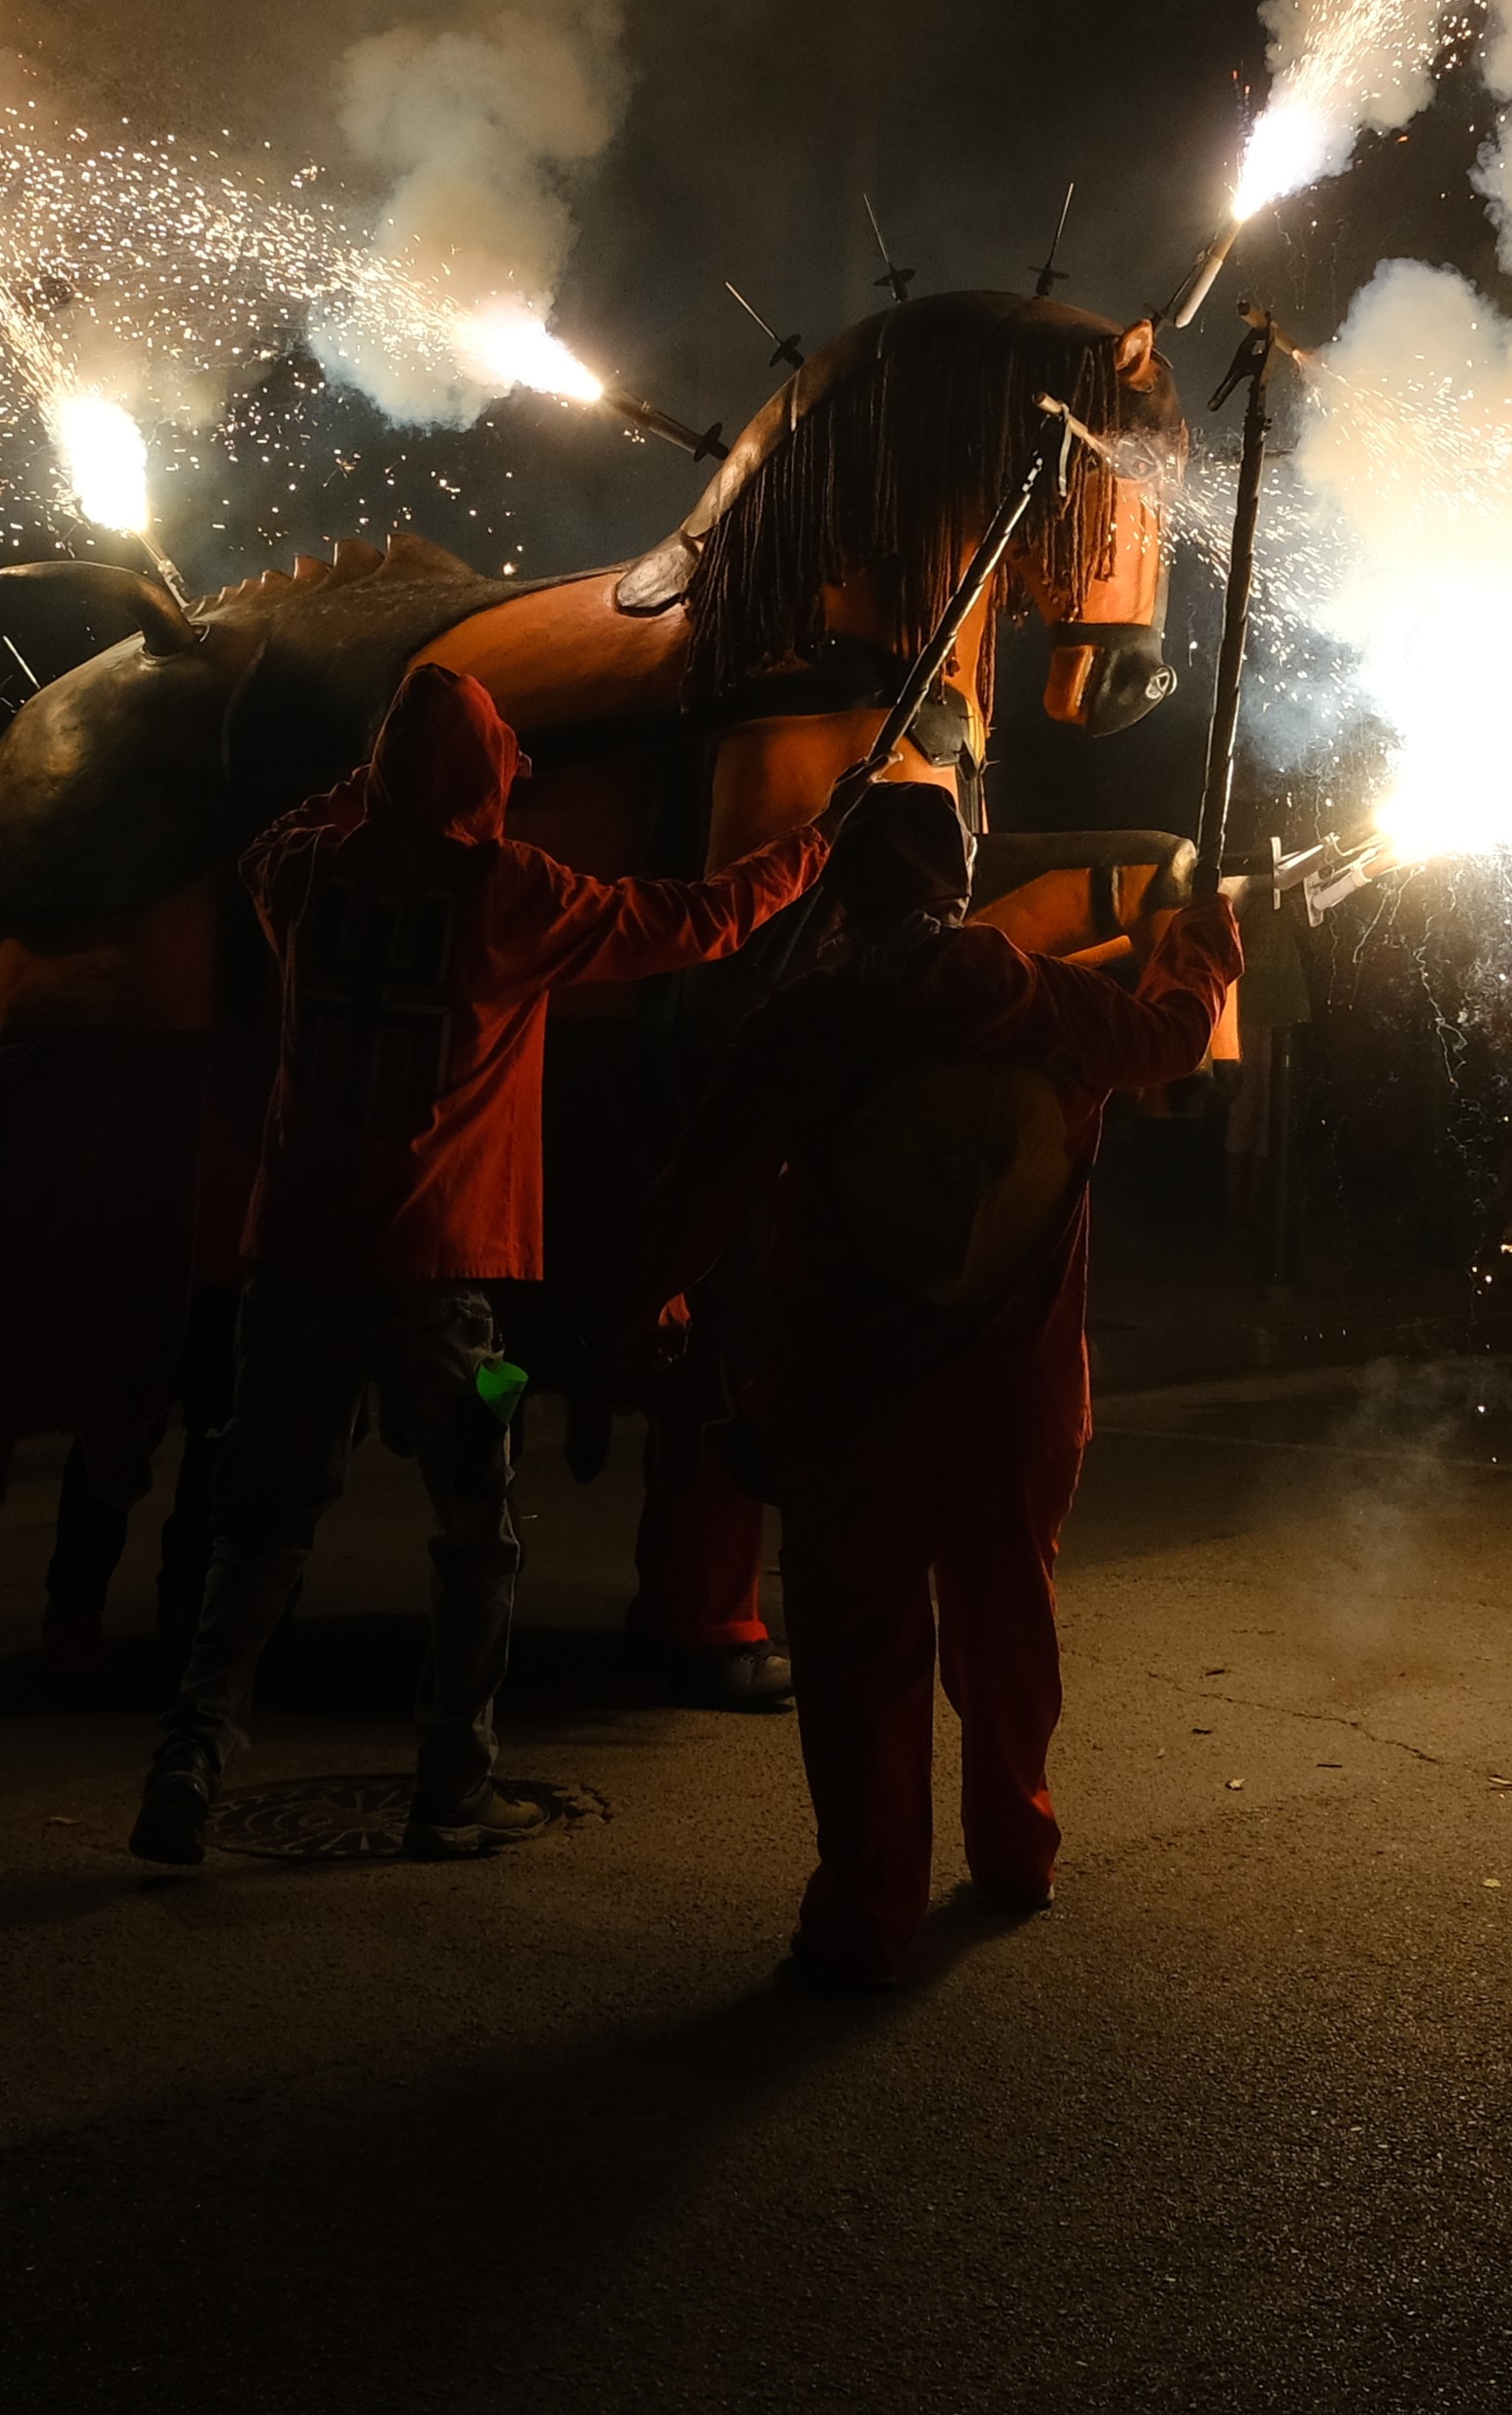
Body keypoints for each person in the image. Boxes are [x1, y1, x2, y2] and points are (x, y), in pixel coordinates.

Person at [131, 665, 830, 1868]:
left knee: (260, 1532)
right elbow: (702, 921)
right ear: (479, 775)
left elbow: (275, 837)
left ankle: (186, 1765)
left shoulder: (307, 878)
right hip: (445, 1296)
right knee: (481, 1533)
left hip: (291, 1275)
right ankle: (452, 1785)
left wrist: (378, 772)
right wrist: (814, 849)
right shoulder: (511, 893)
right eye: (501, 753)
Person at [667, 780, 1237, 1990]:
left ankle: (867, 1913)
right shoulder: (1057, 1006)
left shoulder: (807, 1024)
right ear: (957, 888)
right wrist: (1195, 953)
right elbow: (1173, 1039)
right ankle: (1016, 1848)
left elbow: (703, 1190)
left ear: (846, 894)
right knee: (1008, 1624)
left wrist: (643, 1300)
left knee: (862, 1655)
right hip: (1015, 1398)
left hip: (852, 1398)